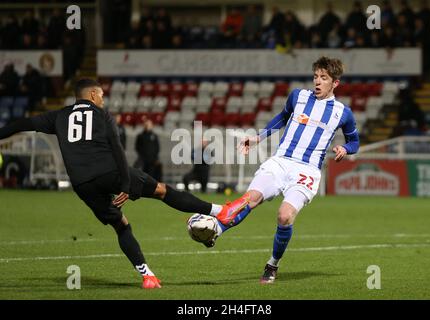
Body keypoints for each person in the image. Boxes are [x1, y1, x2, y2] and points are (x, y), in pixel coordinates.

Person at [0, 79, 246, 289]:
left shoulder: (59, 116)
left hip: (82, 184)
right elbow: (117, 148)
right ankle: (219, 211)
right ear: (93, 95)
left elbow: (21, 125)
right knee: (161, 191)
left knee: (121, 226)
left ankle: (147, 275)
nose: (103, 100)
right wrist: (126, 184)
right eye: (102, 96)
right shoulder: (101, 114)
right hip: (110, 173)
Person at [213, 57, 360, 284]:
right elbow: (282, 118)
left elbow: (354, 142)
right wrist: (257, 138)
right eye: (315, 77)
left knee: (284, 215)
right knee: (249, 199)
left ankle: (272, 265)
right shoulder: (298, 96)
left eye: (323, 78)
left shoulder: (343, 112)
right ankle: (216, 230)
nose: (317, 82)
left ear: (335, 83)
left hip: (308, 171)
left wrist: (344, 148)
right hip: (281, 161)